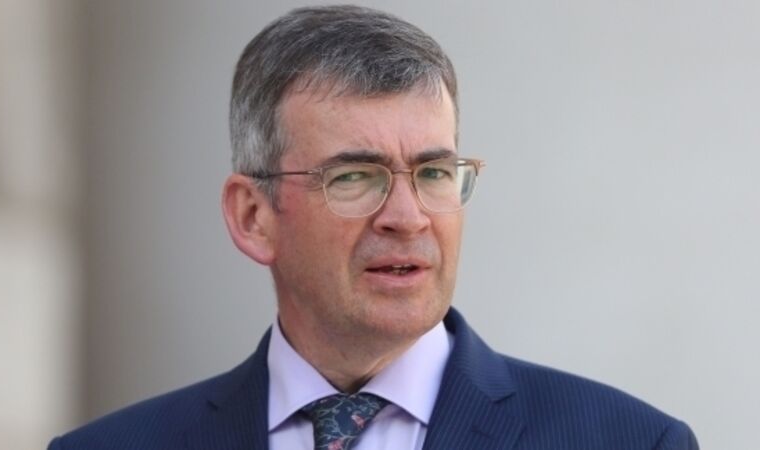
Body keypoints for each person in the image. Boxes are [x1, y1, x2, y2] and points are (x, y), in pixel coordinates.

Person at [49, 5, 698, 450]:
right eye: (355, 177)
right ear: (253, 217)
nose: (408, 217)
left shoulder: (631, 442)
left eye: (434, 173)